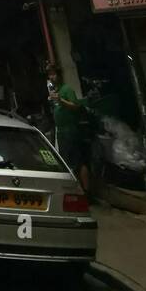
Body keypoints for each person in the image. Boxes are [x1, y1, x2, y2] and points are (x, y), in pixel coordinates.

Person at [46, 62, 91, 194]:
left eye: (53, 74)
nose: (52, 78)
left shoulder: (66, 90)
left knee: (78, 161)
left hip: (71, 131)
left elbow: (75, 106)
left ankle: (86, 192)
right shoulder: (56, 91)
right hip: (61, 132)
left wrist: (61, 100)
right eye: (50, 75)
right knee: (66, 162)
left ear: (59, 75)